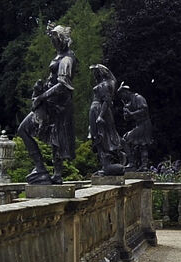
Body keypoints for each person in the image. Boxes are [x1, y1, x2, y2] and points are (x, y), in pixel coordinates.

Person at [17, 24, 77, 183]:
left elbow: (64, 84)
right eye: (52, 39)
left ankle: (53, 173)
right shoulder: (59, 56)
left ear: (63, 39)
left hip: (57, 105)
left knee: (54, 137)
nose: (53, 42)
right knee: (39, 133)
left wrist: (42, 96)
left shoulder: (68, 58)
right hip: (49, 103)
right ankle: (42, 169)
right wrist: (40, 88)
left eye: (55, 39)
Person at [87, 64, 122, 174]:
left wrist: (100, 116)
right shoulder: (103, 84)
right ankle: (104, 165)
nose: (94, 75)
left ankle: (107, 164)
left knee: (103, 136)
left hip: (99, 110)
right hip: (95, 110)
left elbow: (107, 101)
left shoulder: (105, 84)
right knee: (96, 136)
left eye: (95, 72)